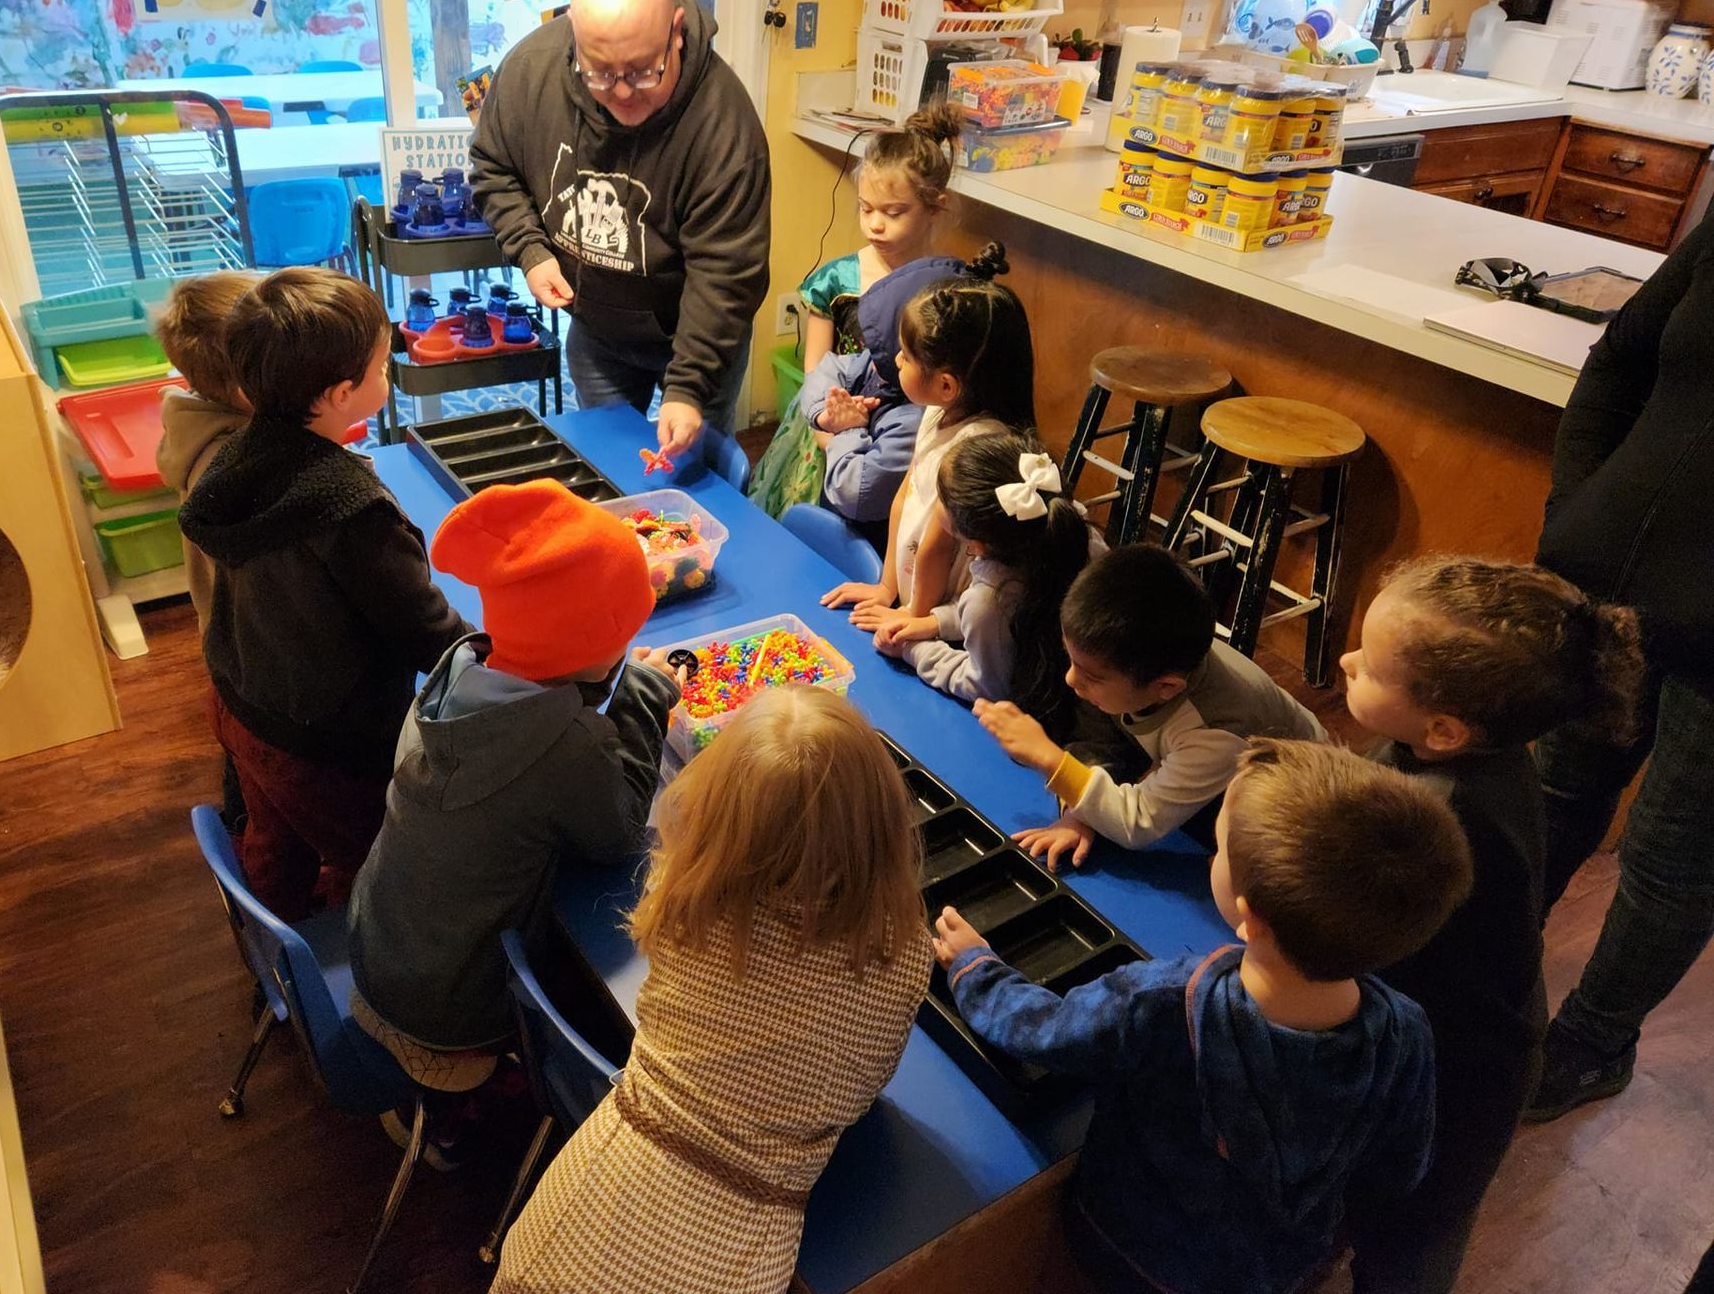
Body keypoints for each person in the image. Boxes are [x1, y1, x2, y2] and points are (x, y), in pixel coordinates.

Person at [935, 738, 1473, 1294]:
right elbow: (1398, 1170)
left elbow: (1043, 1033)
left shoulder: (1165, 1000)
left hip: (1126, 1248)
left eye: (1217, 850)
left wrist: (978, 970)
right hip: (1275, 1272)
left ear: (1249, 917)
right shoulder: (1407, 1031)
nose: (1213, 858)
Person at [491, 686, 930, 1294]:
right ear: (882, 820)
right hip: (738, 1248)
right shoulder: (902, 954)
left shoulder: (689, 902)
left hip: (575, 1225)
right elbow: (856, 1100)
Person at [1338, 556, 1643, 1294]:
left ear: (1445, 729)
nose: (1345, 660)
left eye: (1370, 668)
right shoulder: (1469, 758)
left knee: (1414, 1238)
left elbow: (1345, 930)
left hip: (1460, 1074)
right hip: (1455, 1027)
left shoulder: (1439, 817)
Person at [347, 480, 679, 1139]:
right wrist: (648, 695)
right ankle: (452, 1119)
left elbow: (542, 717)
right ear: (596, 643)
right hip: (454, 1003)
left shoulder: (459, 665)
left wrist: (606, 675)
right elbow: (617, 833)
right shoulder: (568, 747)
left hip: (381, 942)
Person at [179, 269, 468, 922]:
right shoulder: (352, 509)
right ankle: (371, 957)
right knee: (376, 856)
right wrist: (503, 655)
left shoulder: (236, 458)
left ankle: (271, 946)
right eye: (382, 365)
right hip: (327, 744)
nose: (387, 374)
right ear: (343, 394)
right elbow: (427, 631)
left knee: (274, 839)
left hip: (242, 700)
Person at [1528, 215, 1714, 1122]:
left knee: (1671, 861)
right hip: (1614, 589)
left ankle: (1594, 1043)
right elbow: (1623, 358)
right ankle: (1488, 954)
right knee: (1555, 790)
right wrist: (1578, 509)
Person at [471, 0, 771, 458]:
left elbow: (727, 271)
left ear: (676, 31)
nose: (624, 93)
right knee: (608, 470)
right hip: (598, 333)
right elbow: (493, 166)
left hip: (697, 331)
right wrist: (531, 250)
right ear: (573, 31)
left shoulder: (725, 127)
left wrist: (689, 385)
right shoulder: (528, 73)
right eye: (601, 73)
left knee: (695, 477)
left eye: (642, 71)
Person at [976, 544, 1326, 868]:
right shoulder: (1138, 663)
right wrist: (1081, 814)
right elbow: (1101, 736)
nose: (1070, 680)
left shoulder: (1214, 731)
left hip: (1296, 818)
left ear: (1166, 688)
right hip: (1215, 781)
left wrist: (1050, 759)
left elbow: (1138, 821)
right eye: (1072, 661)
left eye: (1090, 676)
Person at [747, 107, 962, 522]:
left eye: (893, 212)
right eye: (866, 209)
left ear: (935, 207)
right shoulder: (837, 279)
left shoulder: (942, 289)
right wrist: (832, 425)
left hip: (902, 438)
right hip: (827, 425)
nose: (875, 225)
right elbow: (816, 370)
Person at [820, 243, 1034, 625]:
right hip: (912, 598)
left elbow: (938, 545)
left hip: (944, 615)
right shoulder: (936, 410)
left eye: (906, 355)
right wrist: (888, 589)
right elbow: (905, 494)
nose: (897, 360)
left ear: (946, 385)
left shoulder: (974, 447)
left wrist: (913, 618)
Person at [874, 430, 1099, 725]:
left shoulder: (988, 601)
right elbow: (1012, 617)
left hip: (1046, 714)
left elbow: (986, 686)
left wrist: (912, 650)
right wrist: (936, 623)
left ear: (974, 544)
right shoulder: (1070, 529)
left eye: (941, 498)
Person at [153, 269, 258, 633]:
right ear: (250, 386)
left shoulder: (193, 425)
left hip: (229, 639)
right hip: (255, 651)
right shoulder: (236, 466)